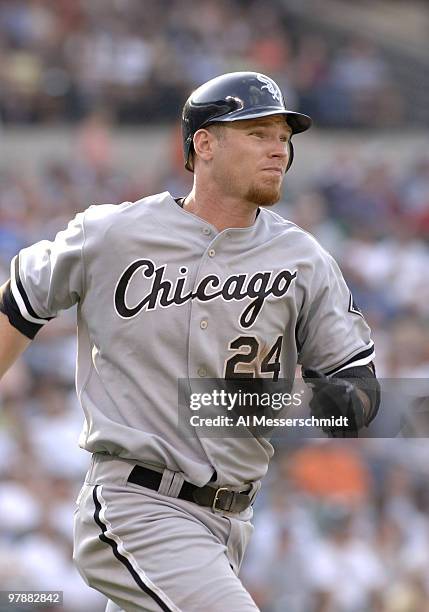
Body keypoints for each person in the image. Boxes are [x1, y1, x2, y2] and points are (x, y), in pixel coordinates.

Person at [0, 71, 380, 611]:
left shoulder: (305, 260)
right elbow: (18, 302)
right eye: (259, 133)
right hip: (137, 503)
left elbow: (357, 395)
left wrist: (312, 401)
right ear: (204, 143)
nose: (279, 149)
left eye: (284, 138)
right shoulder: (114, 234)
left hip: (229, 525)